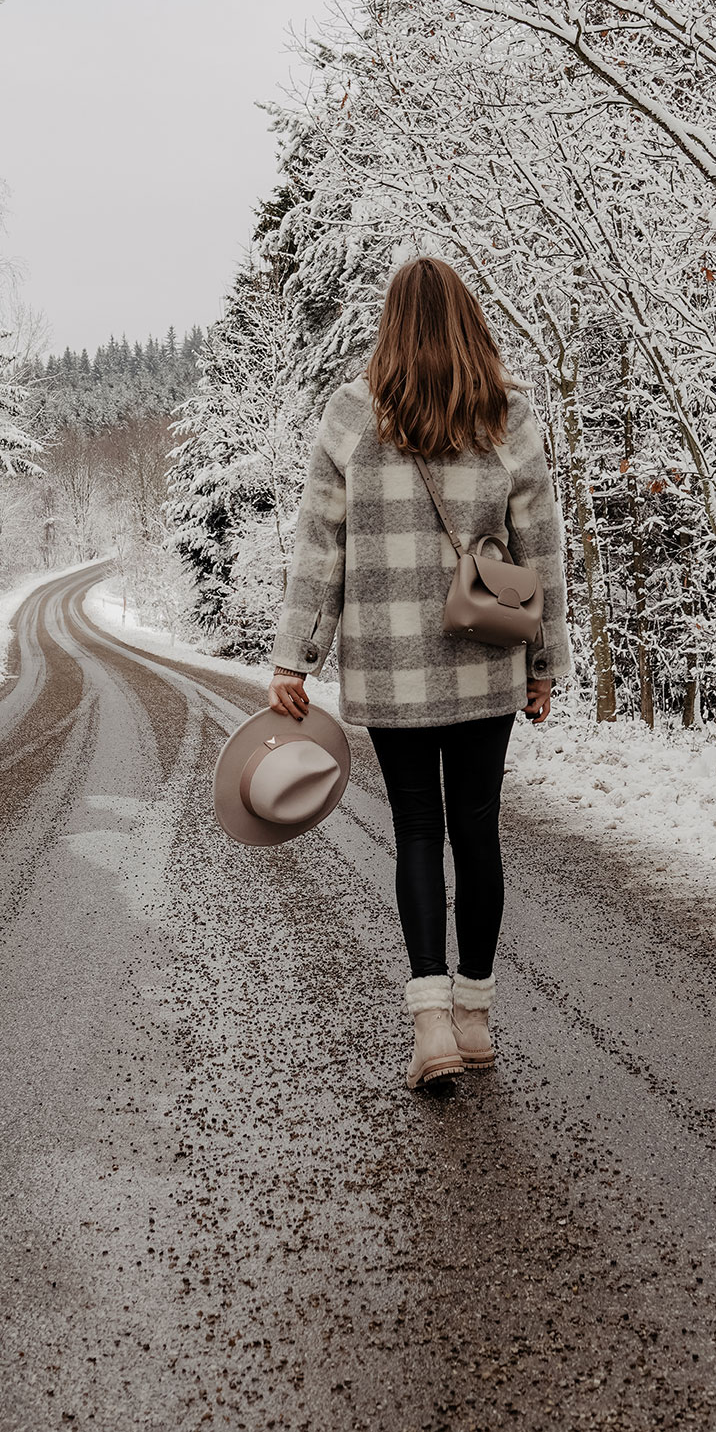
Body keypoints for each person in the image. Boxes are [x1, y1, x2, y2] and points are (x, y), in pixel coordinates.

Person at [268, 257, 571, 1087]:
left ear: (390, 324)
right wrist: (547, 660)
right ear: (470, 320)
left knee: (414, 832)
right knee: (476, 832)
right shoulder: (505, 412)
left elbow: (318, 548)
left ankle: (429, 1024)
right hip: (484, 656)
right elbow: (540, 548)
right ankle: (474, 1017)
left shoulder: (351, 414)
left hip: (390, 661)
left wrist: (295, 656)